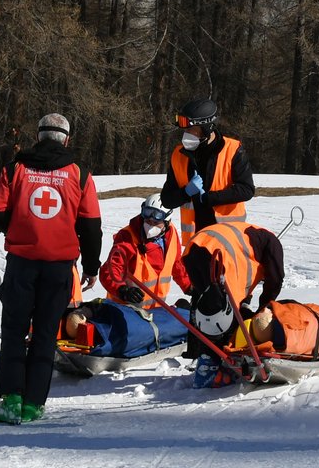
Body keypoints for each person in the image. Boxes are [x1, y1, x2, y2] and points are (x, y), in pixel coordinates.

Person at [0, 113, 101, 424]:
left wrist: (18, 224)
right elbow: (91, 225)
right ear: (67, 140)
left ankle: (11, 400)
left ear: (38, 136)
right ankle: (34, 404)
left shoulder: (16, 169)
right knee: (46, 334)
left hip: (22, 264)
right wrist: (91, 266)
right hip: (58, 267)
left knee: (14, 331)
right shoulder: (79, 174)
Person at [182, 219, 285, 351]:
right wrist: (262, 309)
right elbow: (275, 280)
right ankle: (219, 352)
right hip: (218, 254)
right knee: (223, 312)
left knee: (203, 301)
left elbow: (247, 279)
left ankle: (197, 351)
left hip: (195, 246)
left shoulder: (250, 240)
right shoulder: (273, 244)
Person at [160, 97, 255, 238]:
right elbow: (167, 200)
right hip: (196, 238)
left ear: (206, 128)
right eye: (185, 130)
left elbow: (246, 190)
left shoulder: (233, 150)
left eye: (192, 129)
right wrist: (186, 192)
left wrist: (209, 198)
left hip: (228, 236)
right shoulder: (179, 155)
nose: (187, 134)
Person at [98, 193, 190, 307]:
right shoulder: (128, 237)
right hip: (126, 308)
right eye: (147, 221)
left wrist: (189, 287)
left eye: (156, 223)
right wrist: (122, 290)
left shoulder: (171, 235)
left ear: (166, 222)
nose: (150, 226)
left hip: (156, 309)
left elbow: (176, 264)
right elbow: (110, 269)